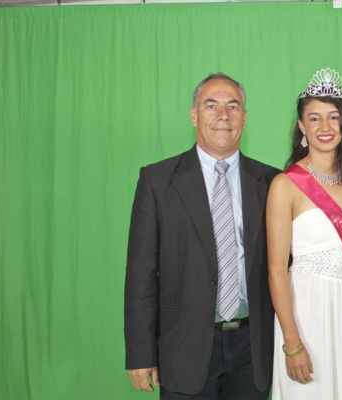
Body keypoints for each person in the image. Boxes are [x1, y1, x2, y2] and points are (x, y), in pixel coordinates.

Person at [124, 72, 279, 399]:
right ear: (194, 115)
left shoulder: (271, 183)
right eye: (212, 105)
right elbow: (140, 274)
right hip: (184, 347)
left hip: (253, 349)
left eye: (233, 106)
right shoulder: (157, 181)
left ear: (245, 119)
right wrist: (140, 353)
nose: (224, 115)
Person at [267, 68, 342, 399]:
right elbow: (275, 271)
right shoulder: (284, 186)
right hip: (305, 314)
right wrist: (291, 342)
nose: (325, 127)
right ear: (302, 126)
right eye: (314, 118)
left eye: (333, 117)